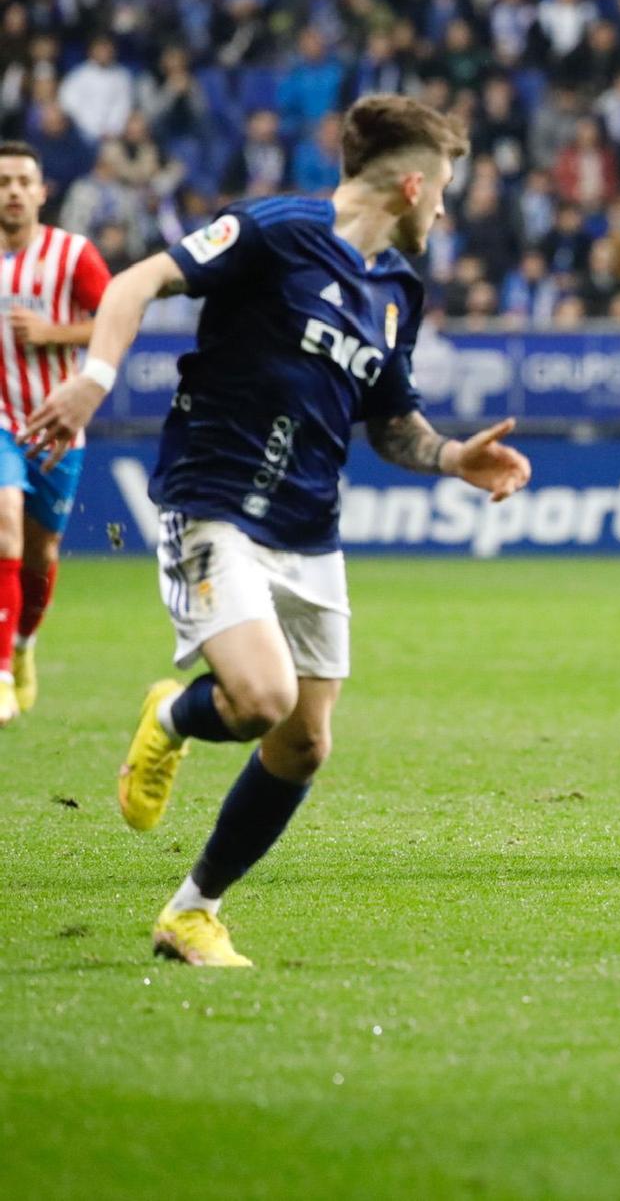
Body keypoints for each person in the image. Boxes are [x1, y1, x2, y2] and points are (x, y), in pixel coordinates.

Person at [23, 95, 531, 967]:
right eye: (443, 189)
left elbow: (392, 421)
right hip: (212, 499)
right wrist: (95, 378)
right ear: (412, 183)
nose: (445, 209)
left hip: (309, 525)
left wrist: (454, 458)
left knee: (304, 741)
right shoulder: (273, 230)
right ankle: (175, 715)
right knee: (260, 700)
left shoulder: (397, 288)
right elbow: (141, 280)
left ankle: (191, 912)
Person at [0, 141, 111, 722]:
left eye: (23, 181)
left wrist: (51, 334)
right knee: (6, 528)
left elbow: (116, 322)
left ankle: (22, 647)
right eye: (3, 182)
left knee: (41, 552)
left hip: (55, 423)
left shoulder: (73, 255)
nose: (13, 191)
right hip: (0, 421)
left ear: (42, 191)